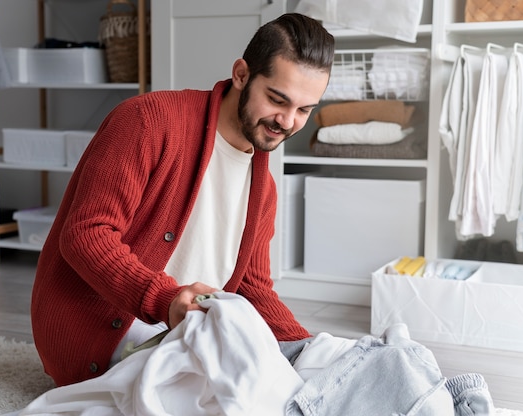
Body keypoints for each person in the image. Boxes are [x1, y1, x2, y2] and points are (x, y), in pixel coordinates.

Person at [30, 12, 335, 387]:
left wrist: (308, 349)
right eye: (277, 99)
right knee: (254, 393)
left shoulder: (264, 189)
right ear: (241, 74)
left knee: (320, 374)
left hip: (190, 334)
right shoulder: (148, 121)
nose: (287, 121)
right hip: (105, 331)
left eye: (304, 110)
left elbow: (253, 289)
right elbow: (86, 235)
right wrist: (164, 299)